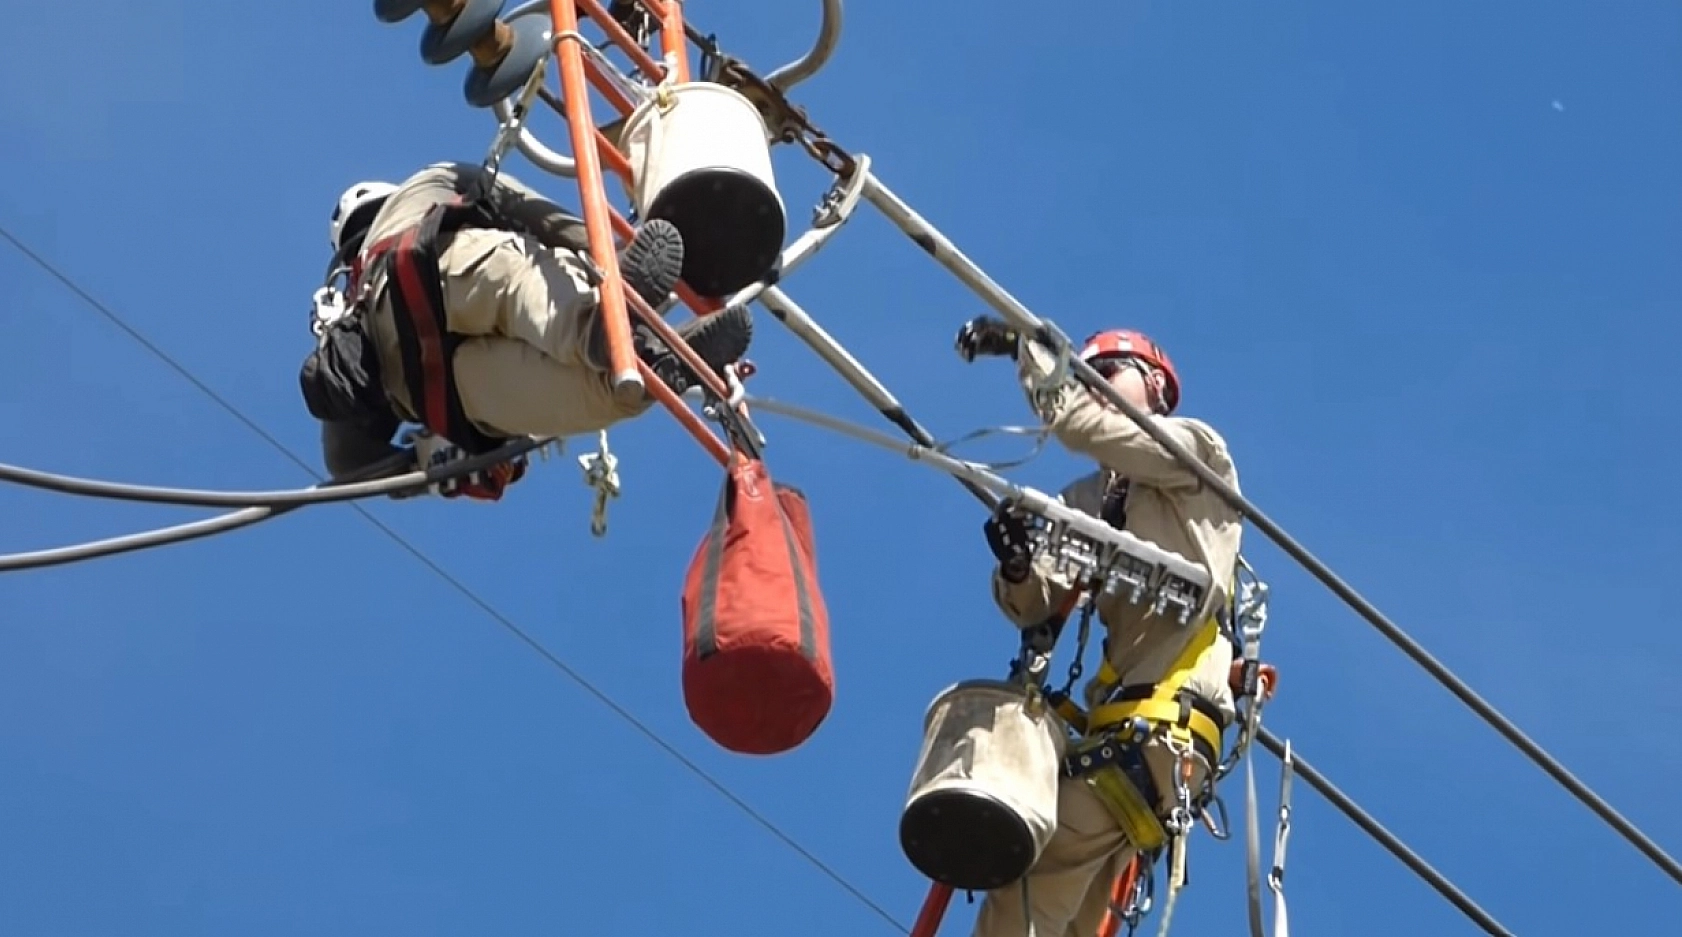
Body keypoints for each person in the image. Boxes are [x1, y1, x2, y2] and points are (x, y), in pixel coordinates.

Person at [954, 316, 1244, 937]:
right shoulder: (1092, 499)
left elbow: (1081, 425)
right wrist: (1016, 566)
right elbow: (1036, 604)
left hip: (1160, 732)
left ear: (1156, 388)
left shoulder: (1196, 453)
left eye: (1106, 373)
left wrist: (1030, 358)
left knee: (1026, 899)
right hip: (1126, 738)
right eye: (1084, 376)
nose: (1092, 386)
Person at [300, 161, 754, 497]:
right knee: (523, 273)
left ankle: (649, 366)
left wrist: (427, 464)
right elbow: (527, 209)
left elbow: (346, 461)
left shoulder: (341, 314)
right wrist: (609, 259)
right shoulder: (426, 185)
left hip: (437, 390)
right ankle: (606, 326)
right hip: (421, 274)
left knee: (614, 387)